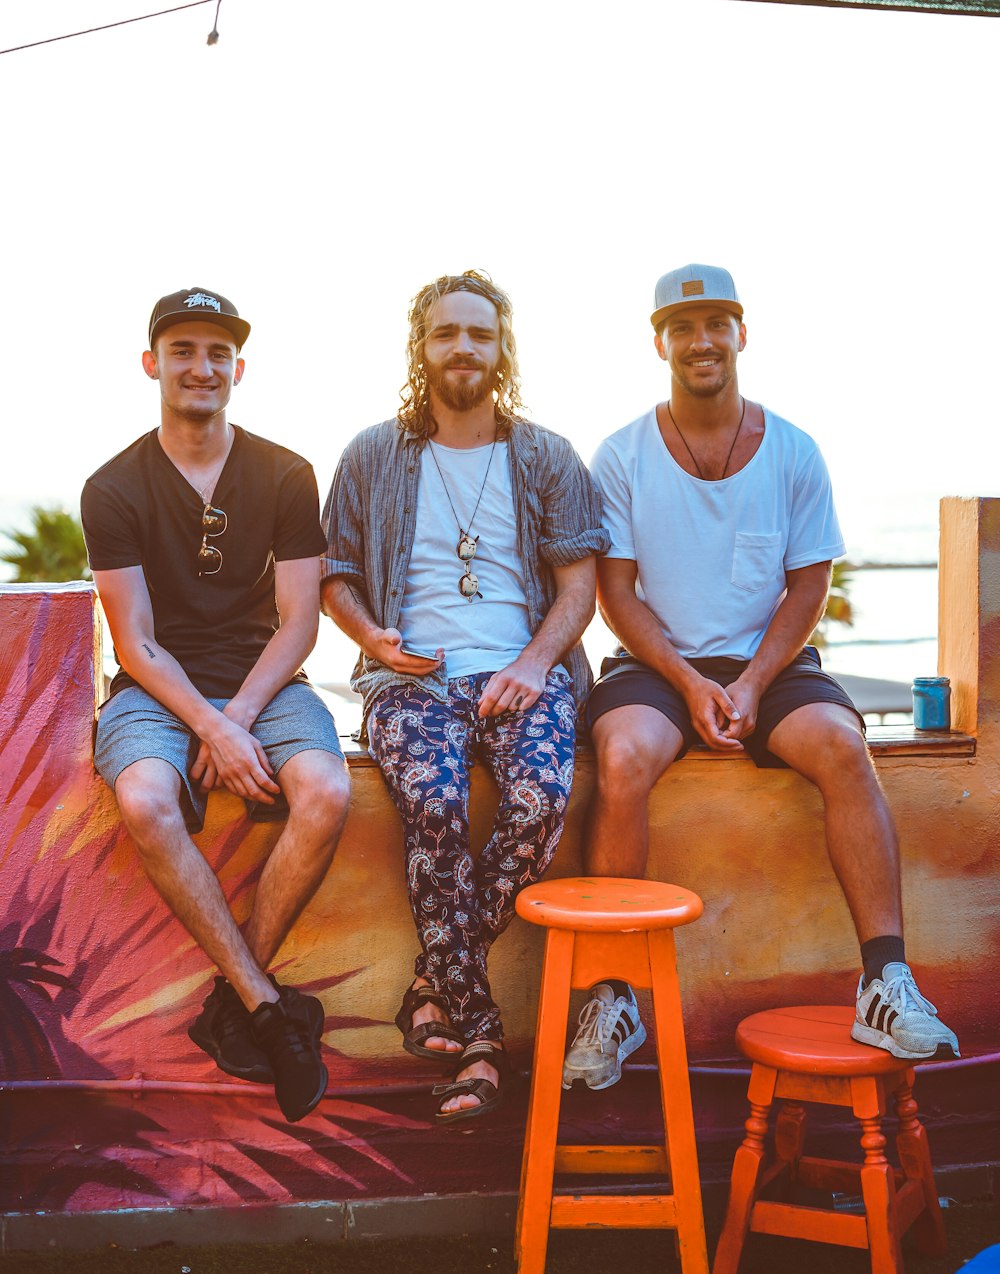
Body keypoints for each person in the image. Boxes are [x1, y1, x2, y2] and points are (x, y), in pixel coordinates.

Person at [562, 263, 959, 1091]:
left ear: (742, 332)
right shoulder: (623, 454)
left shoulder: (793, 451)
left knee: (846, 749)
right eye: (683, 326)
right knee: (624, 757)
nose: (701, 341)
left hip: (769, 666)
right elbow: (616, 593)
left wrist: (746, 684)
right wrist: (689, 681)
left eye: (716, 323)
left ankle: (884, 981)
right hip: (654, 664)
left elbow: (807, 586)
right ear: (660, 341)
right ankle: (612, 994)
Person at [321, 269, 607, 1124]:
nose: (463, 349)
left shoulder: (548, 455)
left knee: (539, 799)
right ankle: (483, 1038)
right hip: (413, 680)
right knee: (435, 805)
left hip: (527, 671)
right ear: (423, 347)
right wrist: (374, 640)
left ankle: (430, 985)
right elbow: (336, 576)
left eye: (479, 334)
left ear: (501, 347)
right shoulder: (373, 453)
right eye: (447, 334)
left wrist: (533, 663)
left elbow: (579, 588)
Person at [82, 287, 350, 1123]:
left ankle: (239, 1002)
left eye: (218, 353)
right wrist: (207, 722)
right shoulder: (114, 486)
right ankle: (271, 1013)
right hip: (159, 692)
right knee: (146, 800)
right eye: (184, 350)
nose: (202, 366)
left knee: (329, 792)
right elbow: (135, 642)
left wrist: (236, 719)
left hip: (266, 680)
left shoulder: (284, 472)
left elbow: (301, 620)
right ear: (152, 363)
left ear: (239, 367)